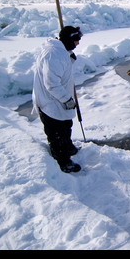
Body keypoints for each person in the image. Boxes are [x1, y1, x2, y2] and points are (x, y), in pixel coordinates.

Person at [32, 26, 83, 173]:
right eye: (75, 41)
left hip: (57, 101)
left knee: (66, 125)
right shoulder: (55, 54)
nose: (77, 44)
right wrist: (67, 99)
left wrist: (69, 58)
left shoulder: (60, 52)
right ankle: (63, 161)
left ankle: (68, 146)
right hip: (51, 102)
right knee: (57, 133)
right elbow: (52, 84)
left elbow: (59, 72)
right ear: (68, 40)